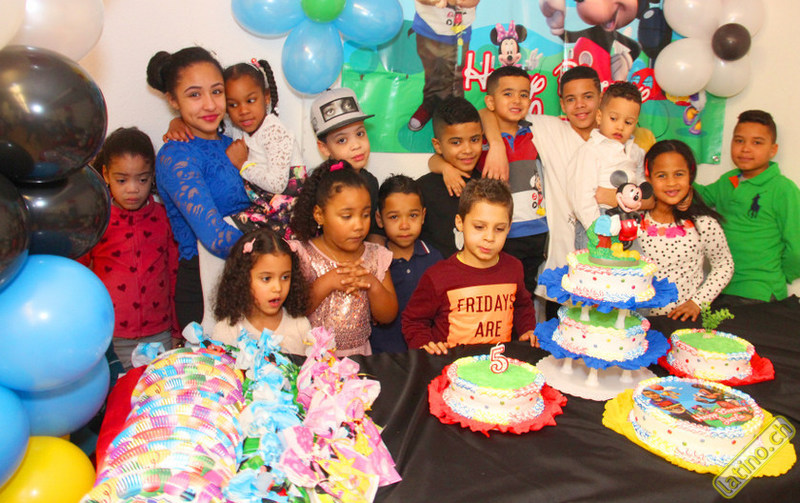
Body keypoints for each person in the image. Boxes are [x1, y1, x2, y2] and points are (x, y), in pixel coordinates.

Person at [480, 65, 602, 318]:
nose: (580, 105)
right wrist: (497, 145)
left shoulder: (616, 142)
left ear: (601, 98)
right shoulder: (547, 128)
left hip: (608, 263)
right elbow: (484, 112)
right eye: (571, 99)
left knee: (609, 328)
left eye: (588, 96)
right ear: (562, 104)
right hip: (562, 260)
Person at [146, 47, 250, 330]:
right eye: (194, 95)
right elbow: (216, 237)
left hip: (254, 282)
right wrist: (279, 249)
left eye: (216, 92)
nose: (210, 105)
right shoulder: (176, 155)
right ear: (173, 100)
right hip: (208, 288)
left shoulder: (235, 143)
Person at [430, 65, 547, 296]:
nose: (517, 100)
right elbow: (482, 114)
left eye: (524, 94)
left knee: (526, 292)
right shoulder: (481, 141)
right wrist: (446, 167)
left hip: (537, 231)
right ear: (491, 101)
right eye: (508, 93)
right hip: (504, 235)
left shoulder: (535, 133)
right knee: (499, 289)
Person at [165, 58, 306, 238]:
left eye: (250, 100)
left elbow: (277, 184)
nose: (243, 111)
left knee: (226, 230)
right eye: (233, 104)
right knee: (222, 230)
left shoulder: (274, 131)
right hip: (266, 208)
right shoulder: (239, 129)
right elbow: (207, 127)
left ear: (266, 97)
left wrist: (243, 164)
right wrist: (177, 121)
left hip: (289, 212)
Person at [79, 127, 178, 370]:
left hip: (159, 333)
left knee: (159, 390)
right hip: (111, 335)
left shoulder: (165, 218)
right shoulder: (97, 221)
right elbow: (78, 277)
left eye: (142, 179)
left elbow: (175, 274)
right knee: (117, 391)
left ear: (152, 176)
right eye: (122, 180)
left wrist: (177, 329)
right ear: (106, 174)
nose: (132, 189)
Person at [403, 178, 537, 355]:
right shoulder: (438, 276)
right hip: (452, 365)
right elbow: (413, 321)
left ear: (509, 227)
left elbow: (522, 306)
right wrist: (425, 345)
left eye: (499, 229)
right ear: (460, 223)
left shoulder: (513, 268)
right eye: (479, 227)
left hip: (498, 365)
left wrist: (527, 329)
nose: (489, 237)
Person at [288, 160, 398, 356]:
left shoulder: (375, 255)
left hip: (359, 359)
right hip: (312, 360)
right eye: (347, 216)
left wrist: (372, 284)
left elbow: (388, 315)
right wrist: (329, 281)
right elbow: (295, 309)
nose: (358, 225)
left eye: (365, 215)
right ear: (319, 215)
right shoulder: (303, 254)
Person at [695, 110, 800, 306]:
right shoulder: (729, 180)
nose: (745, 149)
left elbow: (797, 249)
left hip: (759, 291)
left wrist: (778, 275)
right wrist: (676, 174)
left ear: (773, 150)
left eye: (757, 142)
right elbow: (700, 198)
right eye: (739, 141)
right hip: (720, 287)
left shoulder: (783, 189)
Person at [638, 140, 734, 321]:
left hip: (682, 324)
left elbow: (724, 265)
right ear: (648, 179)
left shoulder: (703, 224)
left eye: (679, 174)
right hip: (635, 322)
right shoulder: (634, 222)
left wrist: (698, 302)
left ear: (690, 175)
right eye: (661, 175)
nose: (671, 183)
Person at [569, 80, 647, 250]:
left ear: (635, 124)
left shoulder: (636, 152)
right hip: (600, 218)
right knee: (598, 265)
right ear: (599, 117)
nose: (620, 126)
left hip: (628, 221)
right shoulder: (591, 150)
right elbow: (582, 196)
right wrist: (596, 229)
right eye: (613, 118)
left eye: (628, 122)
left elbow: (641, 183)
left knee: (631, 264)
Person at [371, 175, 443, 353]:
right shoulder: (374, 262)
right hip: (382, 355)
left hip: (425, 353)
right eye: (394, 217)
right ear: (379, 219)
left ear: (423, 216)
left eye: (412, 215)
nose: (404, 225)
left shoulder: (435, 259)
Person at [212, 228, 311, 355]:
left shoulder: (300, 326)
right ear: (243, 279)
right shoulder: (228, 331)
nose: (278, 288)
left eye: (285, 277)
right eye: (266, 279)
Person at [310, 87, 381, 238]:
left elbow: (371, 232)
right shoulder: (318, 185)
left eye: (360, 133)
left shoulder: (370, 182)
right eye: (342, 140)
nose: (356, 145)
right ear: (324, 148)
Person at [418, 96, 483, 258]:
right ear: (438, 145)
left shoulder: (488, 185)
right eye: (456, 142)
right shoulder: (422, 190)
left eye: (474, 140)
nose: (468, 150)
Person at [408, 0, 481, 132]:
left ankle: (457, 110)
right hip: (428, 28)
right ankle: (429, 105)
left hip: (460, 31)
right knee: (433, 74)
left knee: (456, 77)